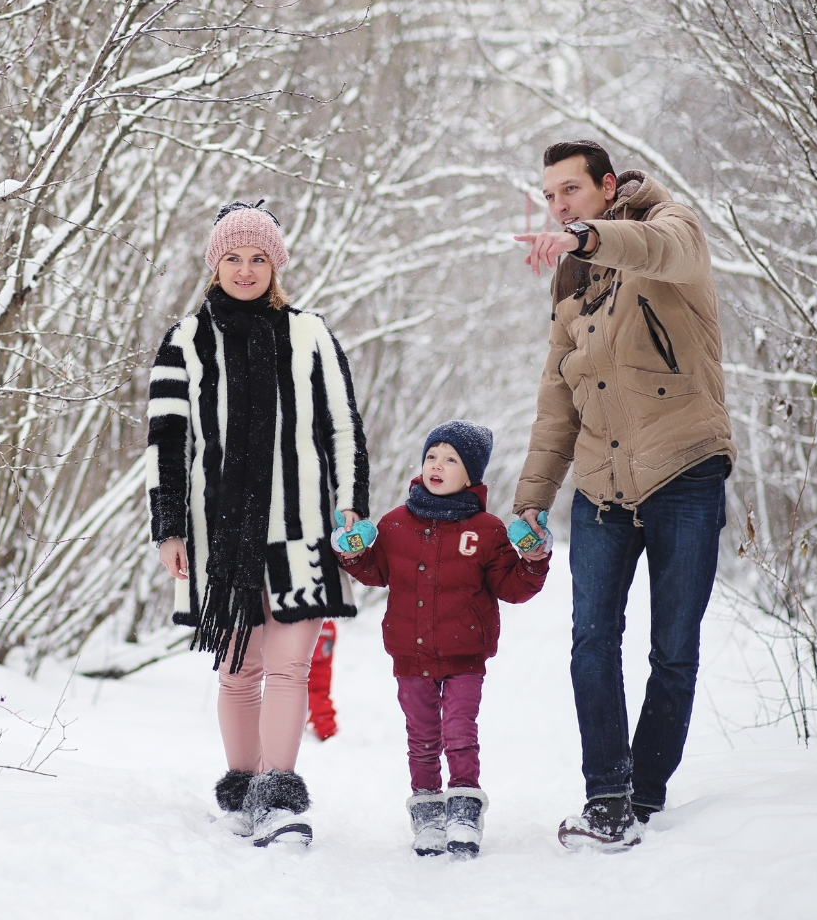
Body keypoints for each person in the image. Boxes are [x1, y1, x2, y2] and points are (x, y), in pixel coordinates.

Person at [513, 141, 735, 848]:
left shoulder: (673, 229)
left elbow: (660, 248)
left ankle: (648, 788)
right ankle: (607, 797)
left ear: (609, 187)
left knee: (673, 647)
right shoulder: (571, 289)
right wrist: (531, 500)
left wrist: (588, 236)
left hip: (685, 472)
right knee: (590, 639)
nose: (559, 205)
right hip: (602, 489)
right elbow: (557, 405)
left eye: (570, 190)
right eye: (549, 196)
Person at [146, 200, 370, 848]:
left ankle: (279, 796)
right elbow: (166, 444)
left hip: (301, 531)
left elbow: (343, 428)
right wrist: (169, 530)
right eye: (233, 258)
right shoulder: (185, 341)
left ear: (276, 265)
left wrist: (350, 506)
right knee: (238, 671)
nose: (245, 269)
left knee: (290, 667)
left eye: (258, 258)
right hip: (222, 538)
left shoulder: (310, 335)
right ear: (216, 266)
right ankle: (243, 789)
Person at [335, 421, 548, 858]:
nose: (437, 465)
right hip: (410, 655)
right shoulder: (395, 523)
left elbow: (512, 588)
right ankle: (428, 810)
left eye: (451, 460)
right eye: (432, 456)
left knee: (459, 731)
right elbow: (375, 571)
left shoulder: (487, 531)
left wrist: (532, 561)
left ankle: (465, 806)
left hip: (465, 653)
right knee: (422, 736)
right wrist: (352, 552)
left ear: (471, 476)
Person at [306, 620, 339, 741]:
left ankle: (326, 729)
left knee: (314, 691)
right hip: (324, 625)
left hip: (308, 626)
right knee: (318, 691)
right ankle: (325, 727)